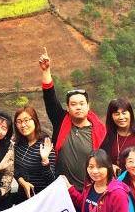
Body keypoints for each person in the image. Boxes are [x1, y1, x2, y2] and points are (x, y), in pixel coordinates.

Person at [38, 48, 108, 187]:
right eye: (73, 104)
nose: (78, 107)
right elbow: (50, 98)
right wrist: (46, 71)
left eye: (82, 103)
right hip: (61, 188)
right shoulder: (61, 120)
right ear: (68, 108)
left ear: (88, 106)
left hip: (89, 190)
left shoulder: (99, 130)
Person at [13, 106, 55, 202]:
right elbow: (14, 169)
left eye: (26, 120)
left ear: (35, 120)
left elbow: (51, 180)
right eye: (19, 122)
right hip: (22, 198)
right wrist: (23, 182)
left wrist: (45, 161)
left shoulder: (45, 144)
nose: (23, 125)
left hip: (41, 200)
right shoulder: (18, 143)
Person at [100, 98, 135, 171]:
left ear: (130, 114)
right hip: (113, 180)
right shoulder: (108, 135)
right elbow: (101, 158)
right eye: (117, 114)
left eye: (124, 113)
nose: (121, 117)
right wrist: (110, 166)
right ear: (111, 116)